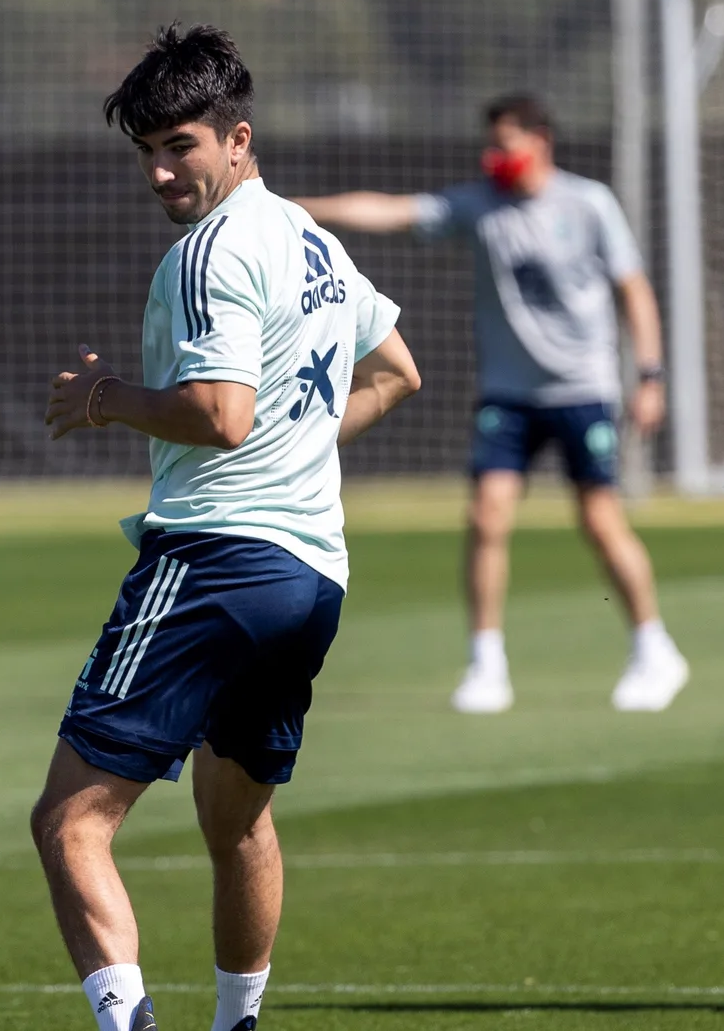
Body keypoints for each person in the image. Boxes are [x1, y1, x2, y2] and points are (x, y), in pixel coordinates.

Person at [33, 25, 421, 1031]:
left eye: (183, 146)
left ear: (237, 138)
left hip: (215, 558)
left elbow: (218, 413)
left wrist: (110, 397)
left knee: (70, 821)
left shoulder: (210, 251)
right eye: (148, 151)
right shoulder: (311, 238)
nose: (162, 170)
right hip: (312, 577)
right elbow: (397, 372)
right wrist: (300, 446)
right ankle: (238, 1022)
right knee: (236, 816)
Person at [293, 93, 688, 715]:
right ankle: (486, 663)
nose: (493, 157)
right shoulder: (477, 205)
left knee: (601, 522)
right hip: (509, 394)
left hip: (584, 391)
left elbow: (633, 288)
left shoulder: (588, 204)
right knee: (486, 517)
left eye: (504, 144)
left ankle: (653, 648)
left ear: (540, 142)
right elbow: (392, 211)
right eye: (489, 145)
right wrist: (296, 211)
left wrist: (651, 376)